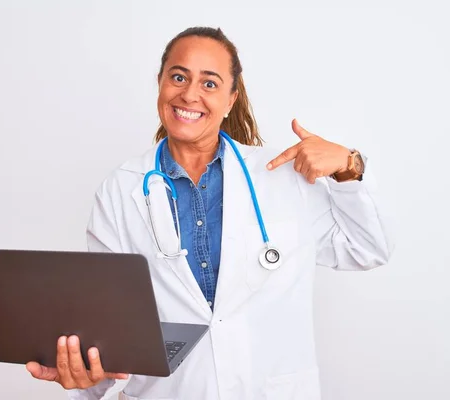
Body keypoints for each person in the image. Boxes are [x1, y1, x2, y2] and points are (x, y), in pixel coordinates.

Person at [25, 26, 394, 400]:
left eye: (210, 83)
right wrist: (84, 377)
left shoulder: (283, 178)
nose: (189, 94)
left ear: (232, 98)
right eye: (179, 76)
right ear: (160, 83)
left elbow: (367, 249)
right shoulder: (121, 190)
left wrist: (350, 167)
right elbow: (107, 322)